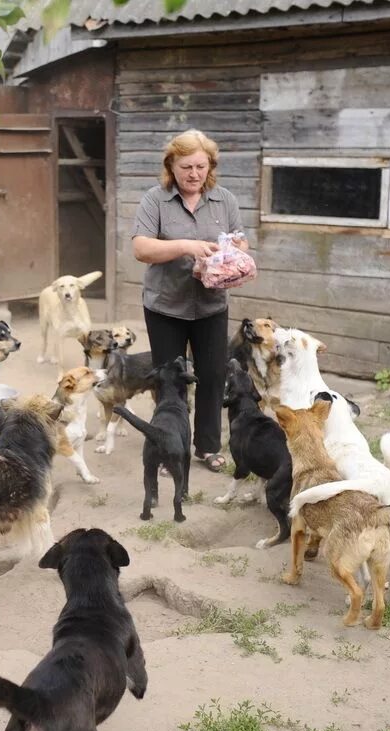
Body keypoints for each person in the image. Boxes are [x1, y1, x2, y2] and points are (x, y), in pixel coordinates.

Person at [130, 129, 250, 474]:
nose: (194, 174)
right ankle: (172, 448)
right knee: (172, 379)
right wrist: (187, 246)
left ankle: (207, 447)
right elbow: (141, 248)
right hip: (165, 305)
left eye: (200, 166)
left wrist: (231, 253)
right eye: (186, 167)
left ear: (209, 166)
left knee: (212, 375)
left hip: (211, 304)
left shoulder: (224, 200)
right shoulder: (156, 199)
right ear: (172, 166)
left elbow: (241, 241)